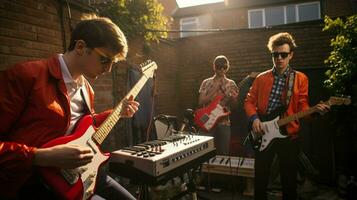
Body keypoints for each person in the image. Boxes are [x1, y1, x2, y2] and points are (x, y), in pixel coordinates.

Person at [0, 17, 139, 200]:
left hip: (81, 175)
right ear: (81, 47)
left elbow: (82, 126)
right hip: (33, 185)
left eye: (113, 63)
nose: (108, 69)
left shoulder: (86, 88)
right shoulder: (26, 76)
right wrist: (40, 157)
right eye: (105, 60)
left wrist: (117, 113)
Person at [244, 32, 330, 200]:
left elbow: (303, 107)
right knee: (260, 179)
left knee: (289, 181)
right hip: (263, 133)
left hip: (289, 136)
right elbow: (248, 101)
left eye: (284, 54)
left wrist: (315, 112)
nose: (279, 58)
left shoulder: (300, 79)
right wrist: (254, 119)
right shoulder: (261, 78)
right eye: (275, 54)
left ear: (291, 55)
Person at [198, 55, 239, 155]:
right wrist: (215, 88)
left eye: (224, 67)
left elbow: (235, 106)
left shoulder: (231, 84)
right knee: (204, 152)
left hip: (224, 123)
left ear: (227, 67)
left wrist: (233, 98)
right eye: (219, 66)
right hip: (207, 121)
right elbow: (201, 101)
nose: (222, 69)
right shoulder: (206, 82)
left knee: (224, 153)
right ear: (214, 66)